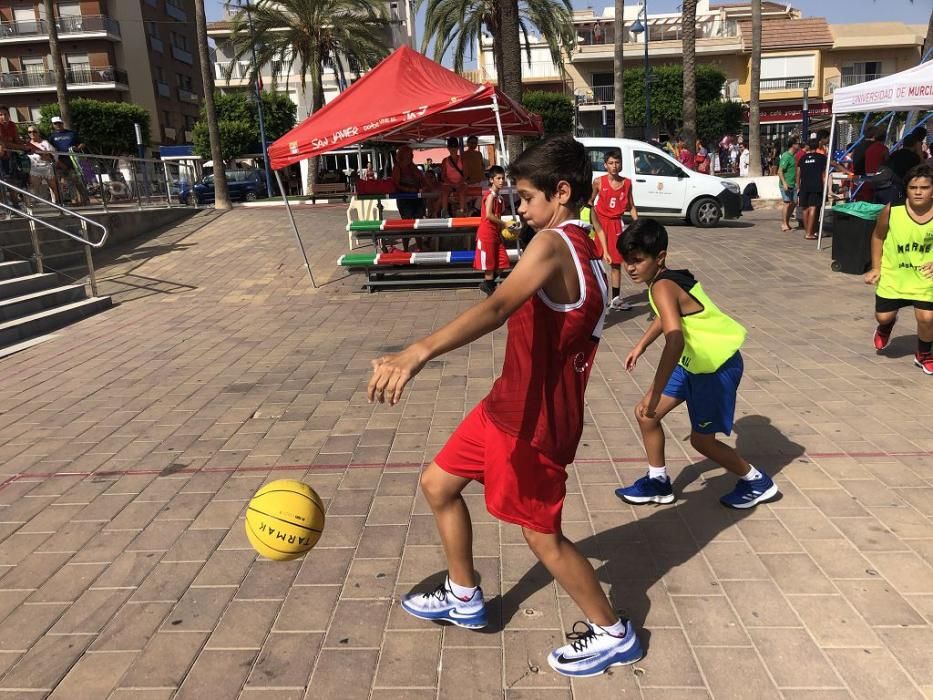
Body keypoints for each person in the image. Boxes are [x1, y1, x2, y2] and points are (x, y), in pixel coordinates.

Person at [369, 135, 644, 678]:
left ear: (560, 192)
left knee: (541, 535)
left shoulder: (553, 244)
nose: (517, 207)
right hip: (504, 407)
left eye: (524, 196)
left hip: (535, 422)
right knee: (438, 484)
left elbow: (496, 306)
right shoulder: (587, 243)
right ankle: (464, 594)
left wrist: (418, 350)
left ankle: (614, 633)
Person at [614, 218, 779, 508]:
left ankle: (757, 481)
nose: (630, 268)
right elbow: (667, 318)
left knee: (701, 441)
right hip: (694, 363)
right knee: (646, 415)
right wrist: (641, 344)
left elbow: (674, 340)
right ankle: (658, 482)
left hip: (716, 367)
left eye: (637, 261)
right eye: (627, 261)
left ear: (660, 257)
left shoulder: (661, 287)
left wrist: (655, 390)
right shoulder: (663, 281)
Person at [864, 164, 933, 375]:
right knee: (883, 316)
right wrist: (876, 267)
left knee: (927, 318)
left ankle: (924, 354)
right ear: (907, 189)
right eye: (913, 188)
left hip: (924, 276)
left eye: (924, 187)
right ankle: (886, 326)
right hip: (895, 273)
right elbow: (878, 236)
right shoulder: (892, 210)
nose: (919, 192)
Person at [590, 148, 638, 311]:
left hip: (616, 224)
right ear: (605, 165)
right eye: (611, 163)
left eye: (617, 163)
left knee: (616, 263)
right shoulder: (598, 182)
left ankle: (616, 299)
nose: (614, 166)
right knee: (596, 261)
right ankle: (596, 297)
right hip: (600, 223)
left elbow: (631, 206)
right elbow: (590, 200)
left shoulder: (627, 183)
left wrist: (637, 224)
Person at [473, 165, 512, 295]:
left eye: (503, 178)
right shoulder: (490, 196)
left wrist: (502, 228)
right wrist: (504, 224)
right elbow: (489, 215)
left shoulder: (499, 198)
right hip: (486, 234)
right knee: (489, 266)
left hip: (495, 234)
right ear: (491, 180)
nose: (502, 181)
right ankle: (490, 290)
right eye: (498, 178)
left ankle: (487, 285)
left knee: (503, 262)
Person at [390, 144, 425, 251]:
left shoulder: (412, 166)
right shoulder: (398, 167)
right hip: (405, 199)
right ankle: (406, 249)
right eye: (410, 154)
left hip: (416, 198)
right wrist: (409, 190)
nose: (412, 156)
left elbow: (421, 178)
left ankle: (420, 247)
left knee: (418, 224)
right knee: (407, 225)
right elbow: (395, 184)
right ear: (403, 155)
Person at [48, 116, 89, 206]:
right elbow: (50, 150)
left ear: (62, 123)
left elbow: (82, 143)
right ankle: (73, 200)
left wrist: (77, 148)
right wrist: (56, 161)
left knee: (78, 180)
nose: (58, 125)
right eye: (55, 123)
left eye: (59, 123)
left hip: (74, 160)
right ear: (53, 125)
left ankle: (85, 200)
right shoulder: (52, 137)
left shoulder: (72, 133)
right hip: (60, 161)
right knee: (66, 182)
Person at [797, 138, 827, 240]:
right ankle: (809, 233)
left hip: (804, 186)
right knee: (813, 207)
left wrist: (798, 185)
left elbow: (798, 173)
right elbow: (830, 168)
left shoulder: (803, 158)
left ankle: (808, 231)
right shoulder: (822, 157)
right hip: (816, 185)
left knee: (805, 208)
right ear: (818, 145)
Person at [26, 126, 58, 203]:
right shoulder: (27, 144)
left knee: (53, 187)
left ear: (38, 133)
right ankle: (32, 207)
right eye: (29, 132)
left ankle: (58, 204)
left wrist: (50, 158)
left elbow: (54, 154)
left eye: (34, 131)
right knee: (33, 188)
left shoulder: (45, 142)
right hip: (34, 168)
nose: (32, 133)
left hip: (47, 167)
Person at [440, 137, 468, 216]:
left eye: (455, 146)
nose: (453, 148)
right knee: (444, 193)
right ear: (448, 148)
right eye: (451, 146)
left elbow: (466, 175)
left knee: (461, 192)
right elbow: (443, 176)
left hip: (461, 183)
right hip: (449, 183)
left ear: (458, 147)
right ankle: (444, 213)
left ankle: (461, 212)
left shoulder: (462, 159)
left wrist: (459, 183)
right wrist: (452, 184)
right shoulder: (445, 161)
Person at [778, 137, 799, 232]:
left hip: (793, 184)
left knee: (794, 202)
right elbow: (780, 171)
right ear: (793, 145)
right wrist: (784, 183)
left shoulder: (793, 156)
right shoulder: (786, 156)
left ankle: (786, 221)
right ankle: (784, 223)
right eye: (797, 143)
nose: (799, 145)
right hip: (786, 184)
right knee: (786, 203)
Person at [462, 135, 486, 213]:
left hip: (480, 181)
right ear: (468, 143)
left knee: (485, 195)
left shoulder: (479, 154)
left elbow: (482, 166)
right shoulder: (463, 155)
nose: (474, 144)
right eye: (472, 142)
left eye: (475, 143)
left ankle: (474, 210)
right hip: (469, 183)